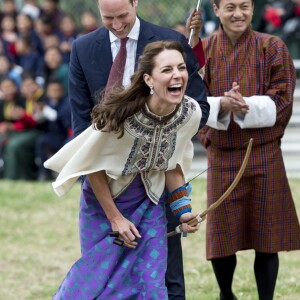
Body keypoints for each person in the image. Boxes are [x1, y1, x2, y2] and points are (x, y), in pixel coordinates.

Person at [68, 0, 209, 298]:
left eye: (123, 16)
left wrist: (182, 210)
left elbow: (172, 155)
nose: (117, 25)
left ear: (135, 3)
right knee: (100, 283)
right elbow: (85, 141)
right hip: (103, 189)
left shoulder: (171, 49)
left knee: (157, 281)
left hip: (155, 194)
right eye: (108, 18)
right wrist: (113, 216)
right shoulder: (83, 48)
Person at [188, 1, 300, 299]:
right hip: (222, 153)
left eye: (244, 6)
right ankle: (226, 294)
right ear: (216, 8)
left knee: (267, 237)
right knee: (222, 236)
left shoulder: (272, 46)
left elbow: (283, 97)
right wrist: (222, 106)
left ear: (253, 8)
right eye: (230, 7)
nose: (238, 13)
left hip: (263, 153)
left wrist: (246, 107)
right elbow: (191, 97)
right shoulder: (203, 48)